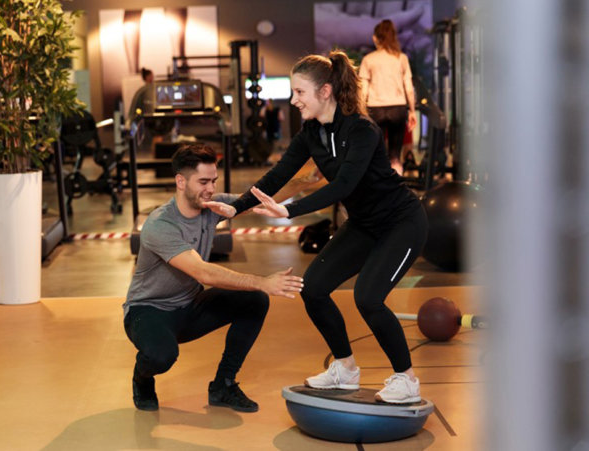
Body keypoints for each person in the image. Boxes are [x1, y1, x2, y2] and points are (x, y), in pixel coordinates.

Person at [205, 52, 428, 404]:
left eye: (299, 93)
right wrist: (235, 208)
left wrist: (288, 211)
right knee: (315, 289)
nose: (293, 101)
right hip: (364, 225)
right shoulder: (311, 132)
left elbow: (343, 187)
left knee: (368, 299)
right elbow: (276, 177)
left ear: (325, 91)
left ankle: (407, 379)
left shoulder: (362, 130)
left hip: (401, 223)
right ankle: (346, 369)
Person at [124, 143, 304, 412]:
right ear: (180, 181)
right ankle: (142, 378)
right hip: (148, 311)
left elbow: (259, 198)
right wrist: (263, 281)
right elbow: (203, 272)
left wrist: (307, 182)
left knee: (254, 301)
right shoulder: (161, 224)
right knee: (162, 355)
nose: (210, 188)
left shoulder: (211, 206)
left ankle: (224, 385)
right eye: (203, 181)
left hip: (189, 307)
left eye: (214, 181)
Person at [359, 19, 417, 175]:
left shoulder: (368, 59)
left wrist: (361, 111)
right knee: (395, 156)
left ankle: (379, 190)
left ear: (375, 38)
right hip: (397, 108)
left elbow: (363, 90)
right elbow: (409, 88)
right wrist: (412, 111)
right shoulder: (401, 58)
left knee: (376, 155)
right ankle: (395, 190)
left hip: (375, 109)